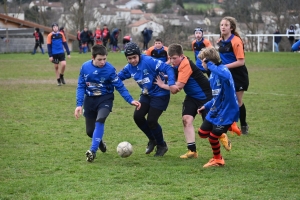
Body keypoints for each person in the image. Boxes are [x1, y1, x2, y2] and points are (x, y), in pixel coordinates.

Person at [74, 44, 141, 162]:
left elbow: (120, 86)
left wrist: (130, 99)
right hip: (89, 100)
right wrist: (79, 104)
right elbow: (80, 86)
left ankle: (92, 151)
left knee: (100, 119)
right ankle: (100, 143)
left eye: (104, 59)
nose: (102, 62)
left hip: (105, 99)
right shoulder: (85, 67)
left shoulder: (110, 69)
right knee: (90, 131)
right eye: (99, 59)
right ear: (92, 57)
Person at [117, 42, 178, 157]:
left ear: (139, 55)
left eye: (134, 57)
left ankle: (162, 145)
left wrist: (171, 83)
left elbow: (168, 68)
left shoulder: (149, 61)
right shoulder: (129, 67)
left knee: (151, 120)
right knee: (138, 116)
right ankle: (152, 139)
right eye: (129, 58)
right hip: (147, 94)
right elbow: (117, 78)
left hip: (160, 94)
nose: (133, 60)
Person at [155, 43, 213, 159]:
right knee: (186, 119)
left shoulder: (185, 64)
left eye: (174, 58)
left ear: (181, 56)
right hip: (192, 96)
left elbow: (176, 89)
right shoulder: (175, 63)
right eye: (170, 58)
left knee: (209, 128)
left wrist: (162, 85)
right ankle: (192, 151)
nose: (171, 61)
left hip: (205, 97)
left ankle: (221, 138)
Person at [197, 47, 239, 168]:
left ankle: (218, 159)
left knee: (212, 137)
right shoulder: (212, 75)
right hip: (217, 109)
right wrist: (205, 106)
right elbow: (216, 96)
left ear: (207, 61)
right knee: (202, 133)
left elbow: (226, 76)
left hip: (227, 111)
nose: (201, 64)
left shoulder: (223, 70)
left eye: (202, 61)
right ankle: (223, 133)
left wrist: (210, 65)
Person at [217, 16, 249, 134]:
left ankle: (244, 125)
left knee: (237, 101)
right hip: (226, 74)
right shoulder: (220, 40)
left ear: (231, 28)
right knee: (226, 100)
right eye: (221, 25)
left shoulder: (236, 41)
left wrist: (223, 67)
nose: (223, 27)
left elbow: (241, 61)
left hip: (238, 75)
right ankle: (227, 125)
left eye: (226, 25)